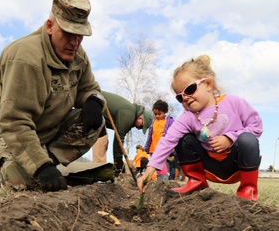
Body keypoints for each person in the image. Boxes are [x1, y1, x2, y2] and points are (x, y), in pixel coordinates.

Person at [0, 0, 106, 192]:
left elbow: (90, 88)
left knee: (96, 123)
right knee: (25, 185)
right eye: (68, 34)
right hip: (6, 129)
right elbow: (14, 122)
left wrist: (94, 100)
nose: (75, 42)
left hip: (46, 126)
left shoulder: (78, 55)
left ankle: (40, 160)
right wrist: (42, 167)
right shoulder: (26, 59)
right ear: (49, 26)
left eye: (80, 35)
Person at [137, 54, 263, 200]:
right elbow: (168, 140)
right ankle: (196, 181)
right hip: (209, 166)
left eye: (190, 89)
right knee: (182, 139)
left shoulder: (234, 102)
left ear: (208, 84)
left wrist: (230, 138)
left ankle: (248, 190)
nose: (186, 98)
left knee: (248, 140)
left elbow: (256, 126)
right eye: (180, 97)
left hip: (236, 166)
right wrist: (148, 172)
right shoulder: (188, 116)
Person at [91, 91, 153, 175]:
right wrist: (118, 164)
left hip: (97, 112)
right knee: (101, 140)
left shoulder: (130, 114)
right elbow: (118, 140)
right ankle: (98, 172)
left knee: (103, 139)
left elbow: (118, 140)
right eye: (141, 126)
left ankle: (99, 170)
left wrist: (118, 163)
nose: (139, 129)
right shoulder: (129, 115)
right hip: (92, 102)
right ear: (140, 117)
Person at [144, 99, 174, 180]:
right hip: (153, 148)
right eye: (155, 114)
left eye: (159, 114)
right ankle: (155, 179)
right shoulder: (153, 123)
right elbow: (150, 136)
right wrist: (147, 147)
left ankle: (163, 180)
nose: (157, 116)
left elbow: (173, 134)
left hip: (163, 147)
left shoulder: (169, 121)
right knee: (154, 165)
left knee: (162, 164)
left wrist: (172, 147)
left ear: (164, 112)